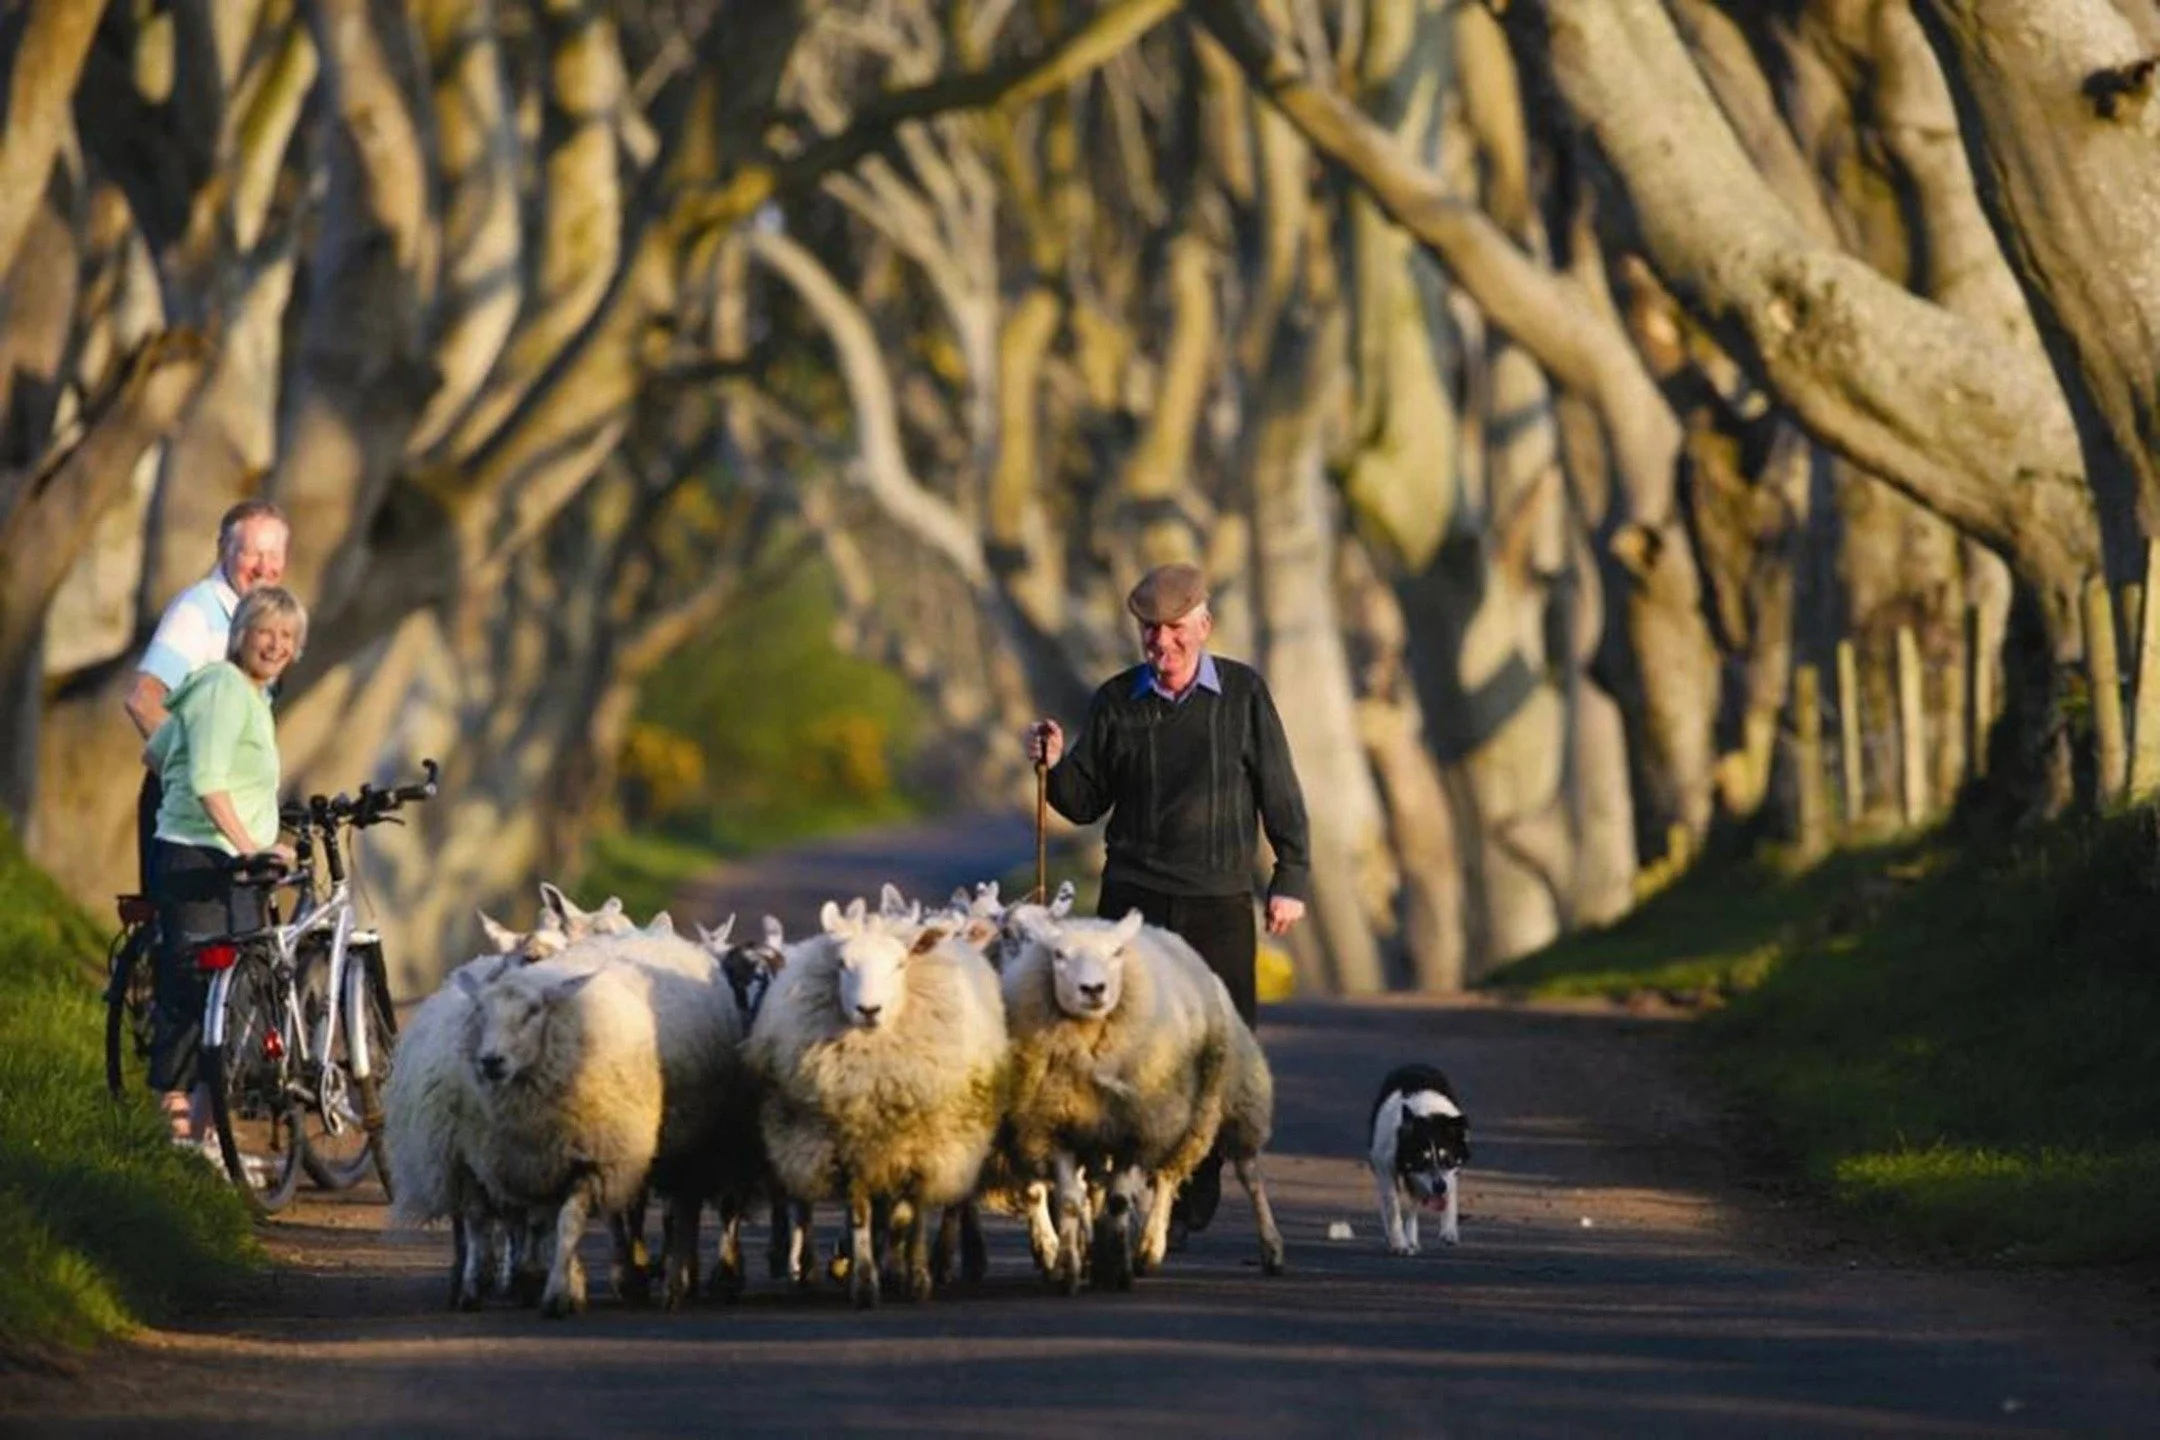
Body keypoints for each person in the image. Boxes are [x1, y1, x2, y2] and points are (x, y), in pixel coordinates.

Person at [1024, 561, 1310, 1238]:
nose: (1163, 643)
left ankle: (1192, 1183)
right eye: (1151, 631)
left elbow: (1279, 789)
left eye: (1176, 628)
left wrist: (1290, 878)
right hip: (1134, 907)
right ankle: (1137, 1185)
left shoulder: (1242, 694)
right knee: (1129, 1051)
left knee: (1217, 1049)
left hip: (1218, 902)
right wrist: (1054, 764)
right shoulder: (1117, 701)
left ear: (1204, 625)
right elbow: (1084, 801)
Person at [144, 585, 305, 1150]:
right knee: (195, 994)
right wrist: (247, 847)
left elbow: (156, 752)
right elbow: (209, 781)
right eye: (266, 632)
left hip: (233, 862)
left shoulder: (253, 697)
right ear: (241, 635)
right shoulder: (221, 687)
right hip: (200, 856)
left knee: (236, 997)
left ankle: (207, 1139)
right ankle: (175, 1134)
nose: (276, 645)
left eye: (287, 636)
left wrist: (258, 842)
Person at [123, 498, 290, 893]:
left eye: (273, 554)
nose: (264, 566)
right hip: (190, 818)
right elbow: (143, 699)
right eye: (251, 552)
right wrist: (194, 773)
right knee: (193, 928)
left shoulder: (256, 623)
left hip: (228, 815)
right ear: (223, 551)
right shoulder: (199, 609)